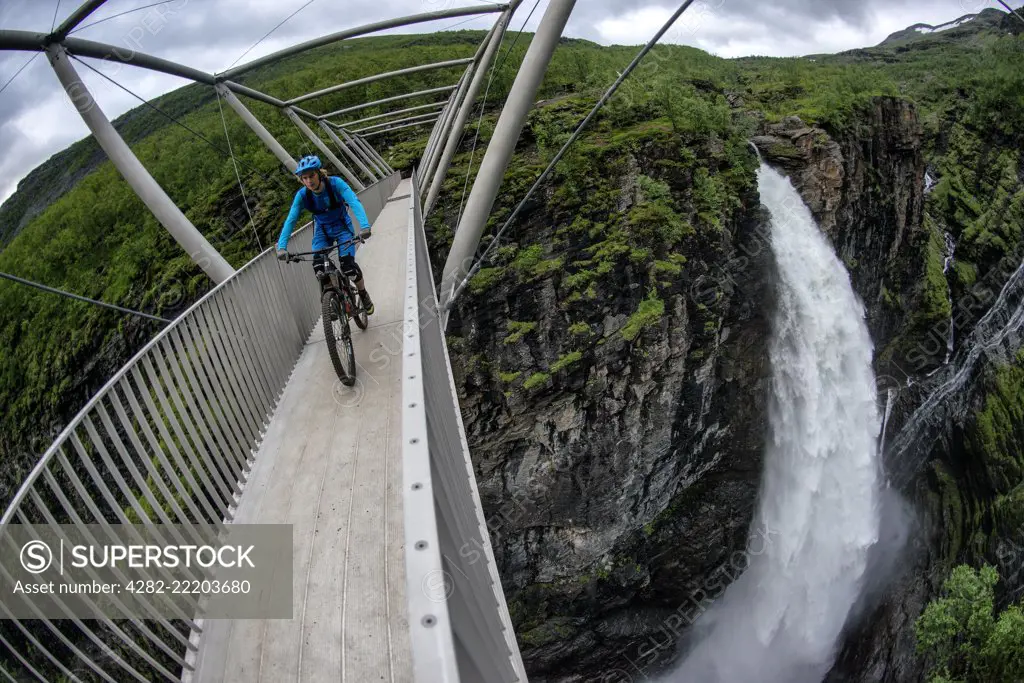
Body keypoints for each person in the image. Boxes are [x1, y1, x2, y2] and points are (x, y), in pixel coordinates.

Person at [276, 155, 374, 315]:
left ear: (319, 173)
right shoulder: (302, 196)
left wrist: (364, 226)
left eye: (311, 176)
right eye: (304, 178)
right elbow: (291, 220)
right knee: (319, 267)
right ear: (301, 180)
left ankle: (363, 293)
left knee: (348, 267)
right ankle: (333, 298)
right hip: (322, 231)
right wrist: (281, 247)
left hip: (342, 227)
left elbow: (354, 202)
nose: (309, 181)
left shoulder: (335, 184)